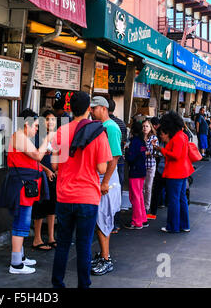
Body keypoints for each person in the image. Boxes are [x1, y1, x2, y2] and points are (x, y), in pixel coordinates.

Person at [50, 91, 112, 288]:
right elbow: (102, 168)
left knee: (63, 244)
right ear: (88, 109)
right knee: (84, 245)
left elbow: (54, 166)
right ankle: (83, 285)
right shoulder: (98, 132)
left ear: (69, 108)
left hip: (65, 196)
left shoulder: (61, 132)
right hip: (88, 197)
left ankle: (57, 284)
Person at [0, 108, 54, 274]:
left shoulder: (22, 137)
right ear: (27, 124)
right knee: (22, 222)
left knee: (21, 220)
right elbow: (37, 155)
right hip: (21, 186)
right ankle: (16, 264)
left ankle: (20, 257)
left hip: (25, 184)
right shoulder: (19, 137)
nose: (37, 129)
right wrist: (47, 140)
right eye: (36, 126)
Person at [89, 96, 122, 276]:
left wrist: (105, 181)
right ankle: (103, 255)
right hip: (101, 179)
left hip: (107, 181)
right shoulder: (101, 127)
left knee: (104, 221)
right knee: (100, 220)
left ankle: (106, 258)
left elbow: (114, 157)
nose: (92, 112)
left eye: (94, 109)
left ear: (103, 108)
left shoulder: (111, 127)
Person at [152, 111, 194, 233]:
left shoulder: (177, 138)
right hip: (183, 171)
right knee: (181, 198)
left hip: (175, 172)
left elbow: (174, 155)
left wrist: (162, 150)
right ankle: (184, 225)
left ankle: (173, 226)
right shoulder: (183, 135)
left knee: (173, 199)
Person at [32, 110, 57, 251]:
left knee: (52, 207)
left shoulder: (56, 137)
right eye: (47, 119)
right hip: (41, 175)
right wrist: (47, 170)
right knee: (40, 207)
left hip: (54, 176)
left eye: (53, 119)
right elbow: (34, 159)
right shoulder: (38, 137)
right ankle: (37, 238)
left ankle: (51, 237)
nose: (50, 122)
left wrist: (57, 169)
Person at [108, 98, 127, 234]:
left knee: (106, 193)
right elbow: (124, 142)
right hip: (120, 161)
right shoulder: (121, 124)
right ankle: (116, 223)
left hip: (108, 162)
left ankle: (108, 223)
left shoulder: (104, 124)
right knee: (116, 193)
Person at [125, 121, 148, 229]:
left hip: (134, 171)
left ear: (133, 131)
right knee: (139, 195)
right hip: (142, 170)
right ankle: (143, 218)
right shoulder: (142, 142)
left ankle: (136, 221)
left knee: (135, 197)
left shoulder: (134, 142)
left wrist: (126, 151)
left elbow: (130, 158)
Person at [148, 117, 167, 220]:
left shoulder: (169, 142)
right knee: (157, 191)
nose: (160, 136)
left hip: (164, 170)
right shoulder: (162, 141)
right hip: (162, 169)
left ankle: (154, 211)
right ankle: (154, 211)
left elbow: (169, 154)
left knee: (157, 190)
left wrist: (158, 149)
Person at [142, 119, 158, 214]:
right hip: (141, 165)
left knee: (148, 187)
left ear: (150, 127)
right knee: (141, 187)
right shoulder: (140, 138)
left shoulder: (153, 138)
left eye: (147, 126)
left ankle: (146, 206)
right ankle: (141, 205)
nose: (145, 128)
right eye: (143, 126)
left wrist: (144, 153)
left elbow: (154, 152)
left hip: (150, 165)